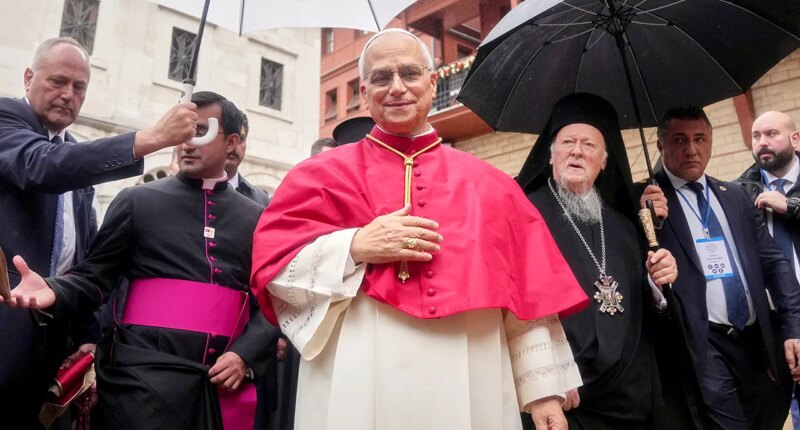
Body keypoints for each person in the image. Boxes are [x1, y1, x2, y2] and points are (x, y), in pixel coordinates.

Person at [250, 28, 589, 430]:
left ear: (432, 83)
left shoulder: (492, 185)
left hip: (468, 366)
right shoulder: (317, 176)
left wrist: (542, 393)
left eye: (410, 74)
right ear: (363, 92)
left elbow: (526, 296)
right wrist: (354, 246)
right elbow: (274, 271)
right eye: (381, 77)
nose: (396, 88)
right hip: (358, 375)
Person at [3, 91, 278, 430]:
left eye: (201, 132)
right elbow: (95, 278)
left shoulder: (259, 217)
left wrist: (244, 355)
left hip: (222, 385)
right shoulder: (137, 202)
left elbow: (273, 299)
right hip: (139, 386)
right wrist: (54, 291)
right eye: (183, 131)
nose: (187, 143)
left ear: (232, 142)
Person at [0, 37, 197, 427]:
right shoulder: (6, 121)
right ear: (27, 78)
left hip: (53, 350)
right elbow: (42, 167)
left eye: (79, 87)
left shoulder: (77, 158)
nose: (67, 95)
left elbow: (86, 262)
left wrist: (89, 339)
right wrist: (152, 138)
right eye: (57, 81)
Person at [517, 93, 677, 430]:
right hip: (568, 399)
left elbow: (645, 309)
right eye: (567, 142)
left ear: (604, 161)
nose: (576, 151)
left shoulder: (622, 222)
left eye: (589, 145)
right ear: (550, 155)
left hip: (630, 398)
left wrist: (657, 282)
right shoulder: (524, 213)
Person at [639, 106, 800, 430]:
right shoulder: (646, 201)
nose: (691, 149)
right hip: (703, 346)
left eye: (700, 138)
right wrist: (647, 218)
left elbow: (776, 264)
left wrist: (794, 326)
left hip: (756, 343)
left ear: (711, 141)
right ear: (660, 145)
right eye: (680, 139)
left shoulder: (735, 195)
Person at [736, 110, 800, 429]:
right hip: (773, 323)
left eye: (771, 133)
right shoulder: (739, 192)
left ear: (794, 138)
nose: (762, 142)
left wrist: (791, 207)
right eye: (756, 136)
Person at [227, 112, 270, 207]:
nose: (234, 147)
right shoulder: (192, 190)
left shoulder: (262, 201)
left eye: (240, 139)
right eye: (229, 139)